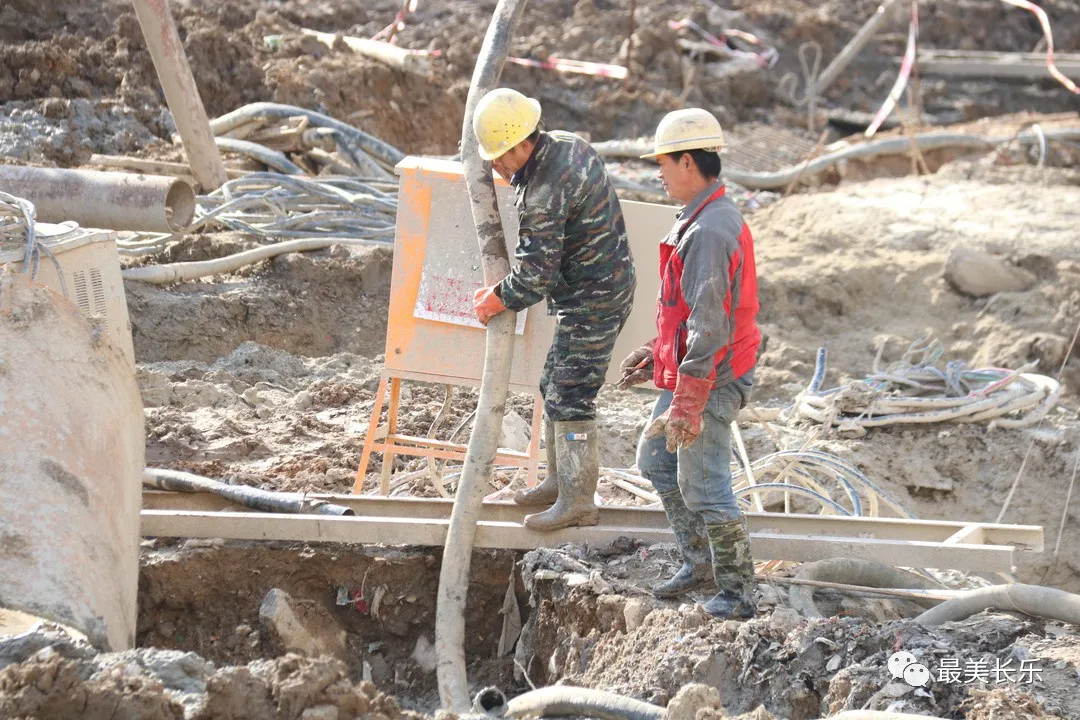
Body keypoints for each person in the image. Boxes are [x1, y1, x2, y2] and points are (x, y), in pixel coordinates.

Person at [470, 88, 636, 531]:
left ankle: (579, 500)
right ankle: (559, 482)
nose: (497, 167)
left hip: (594, 299)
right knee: (553, 384)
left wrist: (497, 297)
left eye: (502, 157)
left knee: (570, 394)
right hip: (600, 287)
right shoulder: (567, 145)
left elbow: (536, 275)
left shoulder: (544, 190)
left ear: (524, 143)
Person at [619, 108, 761, 619]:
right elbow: (685, 311)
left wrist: (689, 402)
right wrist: (654, 356)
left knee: (703, 483)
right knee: (656, 461)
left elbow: (711, 327)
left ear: (687, 161)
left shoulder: (710, 230)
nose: (657, 172)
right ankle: (699, 563)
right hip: (695, 370)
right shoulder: (698, 216)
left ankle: (739, 590)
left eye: (662, 162)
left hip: (713, 376)